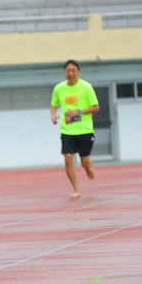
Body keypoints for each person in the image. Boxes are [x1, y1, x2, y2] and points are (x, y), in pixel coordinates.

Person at [50, 60, 100, 198]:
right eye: (68, 70)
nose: (70, 73)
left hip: (85, 130)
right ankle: (76, 189)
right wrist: (53, 116)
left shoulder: (86, 87)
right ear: (64, 71)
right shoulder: (59, 88)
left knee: (85, 162)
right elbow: (54, 104)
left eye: (73, 70)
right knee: (68, 158)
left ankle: (88, 167)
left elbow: (96, 107)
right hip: (67, 131)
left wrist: (79, 112)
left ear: (78, 71)